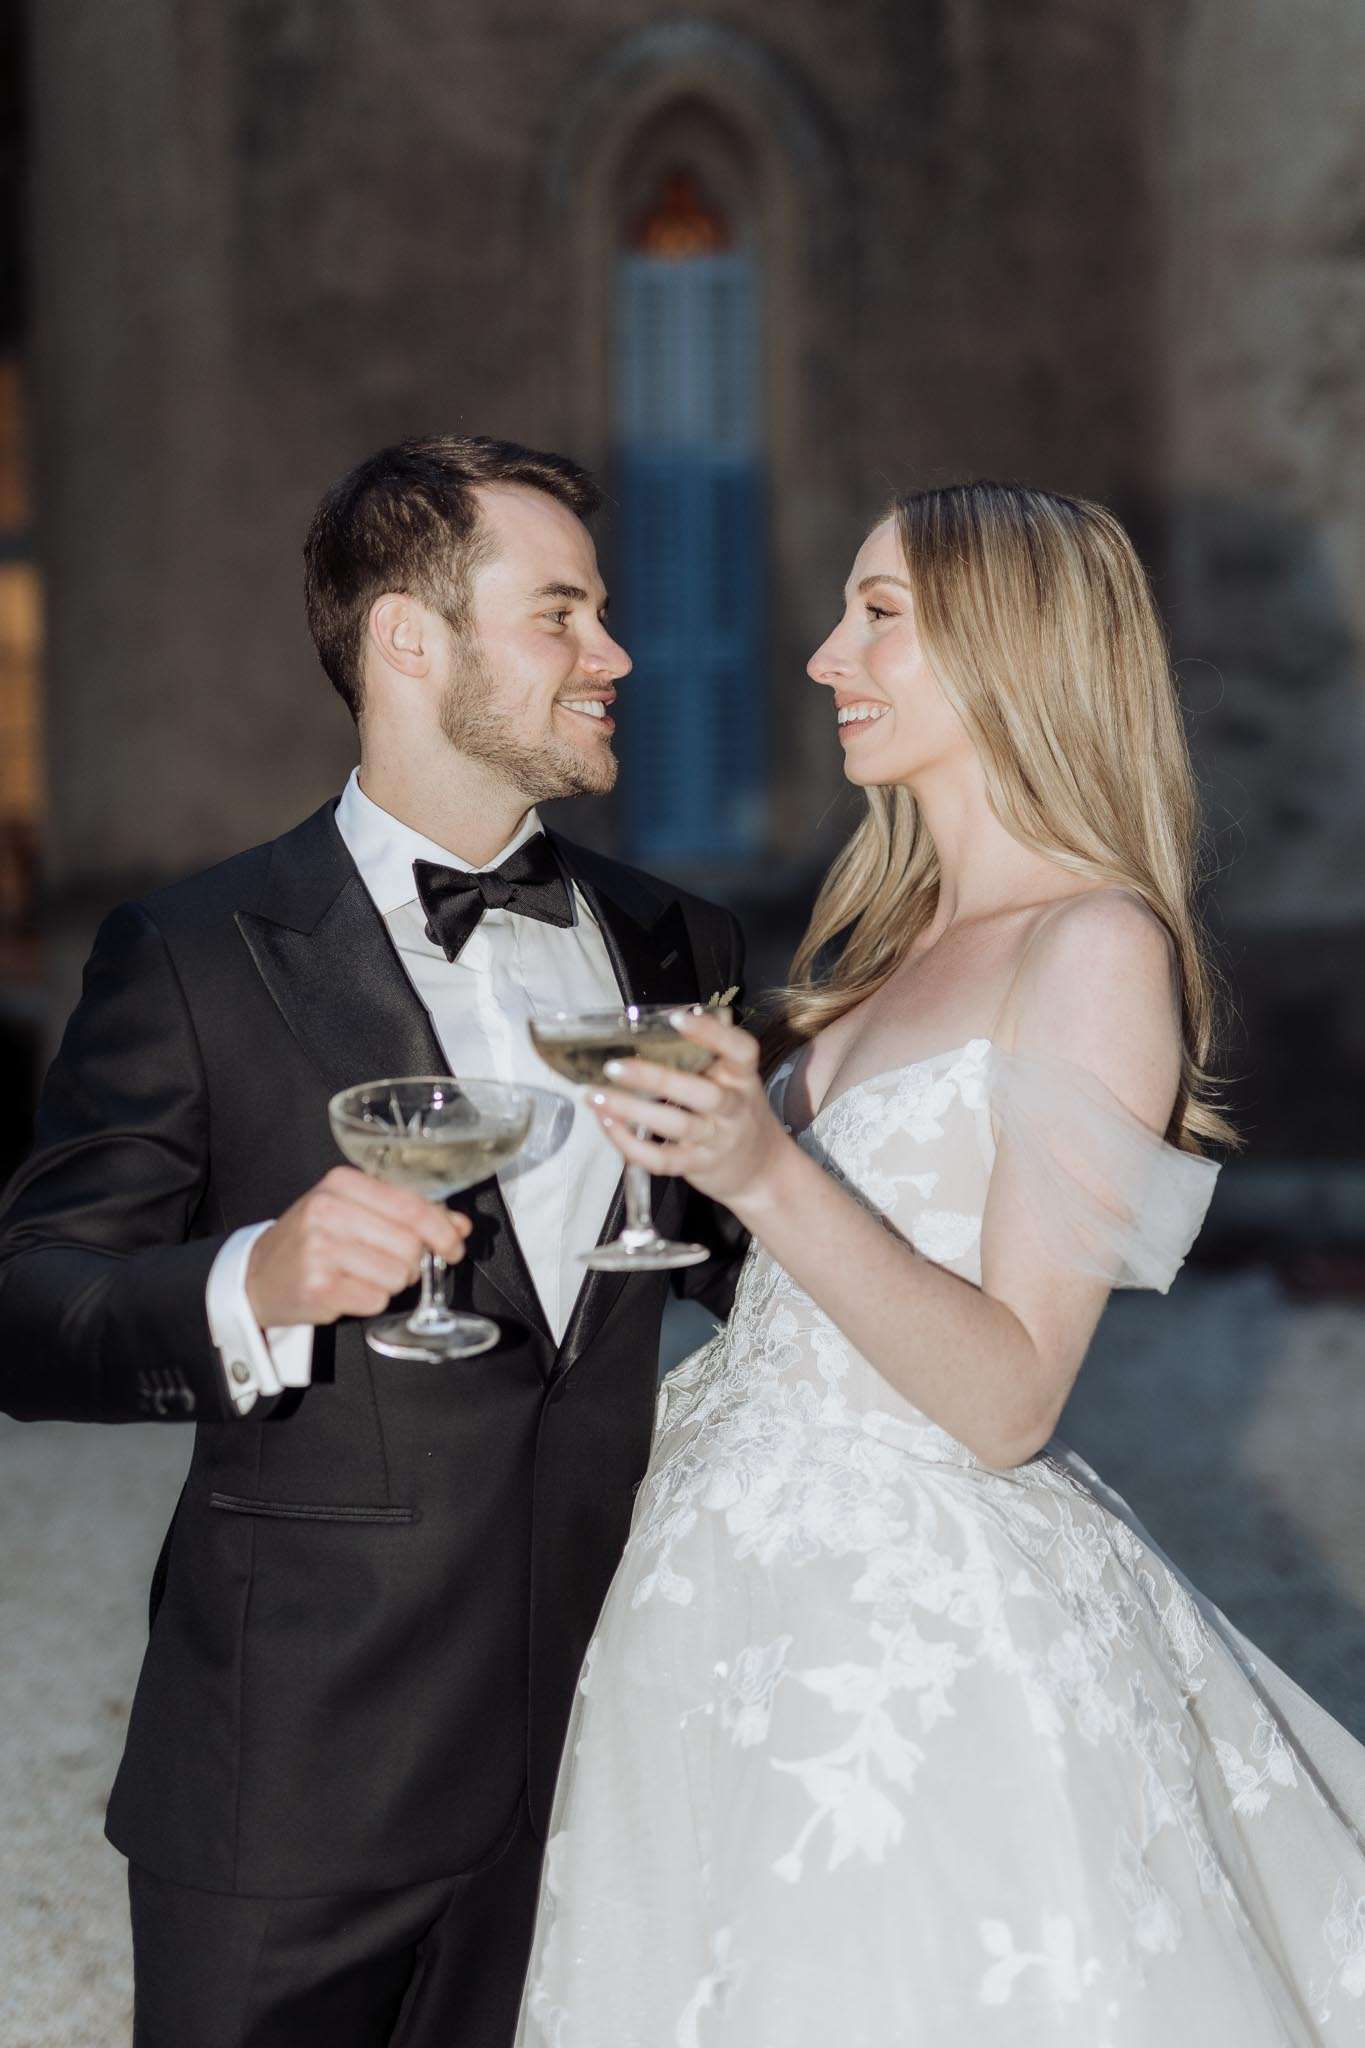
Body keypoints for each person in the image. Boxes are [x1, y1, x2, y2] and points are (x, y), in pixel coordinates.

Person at [516, 482, 1365, 2045]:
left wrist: (761, 1165)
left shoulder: (1092, 945)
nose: (828, 655)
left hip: (911, 1633)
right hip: (712, 1590)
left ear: (1011, 647)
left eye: (878, 616)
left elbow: (1006, 1401)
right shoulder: (862, 963)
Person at [0, 435, 747, 2048]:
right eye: (563, 614)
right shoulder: (192, 953)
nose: (614, 655)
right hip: (293, 1784)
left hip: (602, 1770)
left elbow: (744, 1276)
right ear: (413, 641)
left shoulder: (675, 940)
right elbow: (28, 1310)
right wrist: (248, 1281)